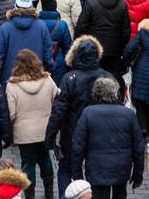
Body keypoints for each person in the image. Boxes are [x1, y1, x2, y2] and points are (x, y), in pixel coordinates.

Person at [45, 37, 116, 199]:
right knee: (95, 173)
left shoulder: (69, 78)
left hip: (73, 134)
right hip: (101, 136)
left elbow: (58, 110)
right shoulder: (107, 76)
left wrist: (49, 137)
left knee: (66, 169)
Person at [71, 77, 145, 199]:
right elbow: (138, 147)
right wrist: (138, 173)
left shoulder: (88, 113)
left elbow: (77, 147)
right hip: (121, 168)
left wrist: (77, 174)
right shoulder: (128, 114)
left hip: (96, 170)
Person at [5, 49, 58, 199]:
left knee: (27, 163)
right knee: (45, 159)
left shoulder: (12, 86)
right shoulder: (48, 80)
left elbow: (11, 113)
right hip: (45, 131)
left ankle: (30, 196)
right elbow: (57, 100)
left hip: (24, 134)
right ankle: (49, 193)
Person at [74, 0, 130, 78]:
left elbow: (81, 26)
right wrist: (122, 48)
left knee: (91, 78)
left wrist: (77, 44)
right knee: (110, 78)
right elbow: (125, 30)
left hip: (94, 47)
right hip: (114, 49)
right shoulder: (122, 4)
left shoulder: (91, 2)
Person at [0, 0, 52, 82]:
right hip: (36, 78)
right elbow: (48, 55)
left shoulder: (5, 28)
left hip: (11, 79)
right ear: (32, 8)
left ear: (15, 7)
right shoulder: (42, 26)